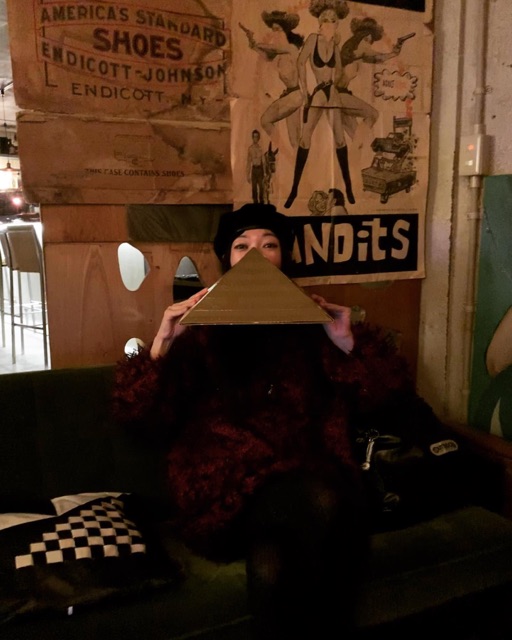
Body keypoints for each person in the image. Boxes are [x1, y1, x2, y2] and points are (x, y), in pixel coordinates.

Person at [112, 203, 417, 639]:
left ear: (283, 257)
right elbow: (140, 417)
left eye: (269, 244)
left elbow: (385, 399)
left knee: (277, 559)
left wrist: (347, 341)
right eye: (242, 246)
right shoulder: (203, 333)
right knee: (321, 504)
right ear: (228, 259)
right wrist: (163, 343)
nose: (256, 253)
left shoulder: (310, 328)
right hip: (226, 488)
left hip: (303, 477)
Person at [285, 0, 356, 209]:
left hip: (331, 92)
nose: (329, 22)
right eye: (325, 19)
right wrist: (305, 91)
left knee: (340, 140)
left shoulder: (334, 44)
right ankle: (294, 190)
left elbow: (340, 71)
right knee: (305, 139)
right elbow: (300, 62)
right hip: (317, 92)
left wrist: (337, 46)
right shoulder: (312, 39)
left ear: (337, 24)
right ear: (319, 22)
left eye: (333, 20)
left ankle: (349, 188)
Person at [241, 11, 305, 148]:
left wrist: (257, 43)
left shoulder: (291, 49)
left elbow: (273, 48)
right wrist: (252, 43)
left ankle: (284, 150)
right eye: (273, 30)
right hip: (291, 96)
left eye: (278, 30)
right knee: (295, 140)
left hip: (294, 96)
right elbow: (266, 55)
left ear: (286, 31)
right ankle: (295, 159)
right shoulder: (280, 53)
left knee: (265, 121)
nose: (274, 33)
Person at [246, 129, 265, 204]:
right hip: (254, 170)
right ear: (252, 138)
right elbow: (248, 162)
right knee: (254, 188)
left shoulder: (261, 149)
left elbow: (263, 161)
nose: (255, 138)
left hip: (260, 170)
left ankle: (261, 203)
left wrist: (265, 172)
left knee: (261, 187)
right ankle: (255, 203)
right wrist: (247, 174)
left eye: (257, 137)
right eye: (254, 137)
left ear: (258, 138)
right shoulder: (250, 149)